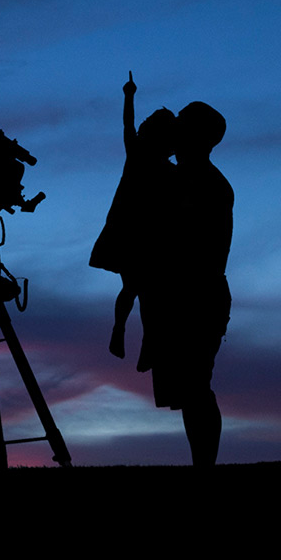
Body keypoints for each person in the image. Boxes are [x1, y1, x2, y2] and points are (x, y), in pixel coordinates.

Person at [147, 99, 233, 468]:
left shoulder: (204, 184)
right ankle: (202, 464)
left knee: (195, 386)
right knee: (189, 387)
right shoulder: (183, 178)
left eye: (182, 124)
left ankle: (205, 466)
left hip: (198, 297)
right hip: (185, 295)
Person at [89, 72, 177, 359]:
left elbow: (128, 125)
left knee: (135, 288)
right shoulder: (145, 157)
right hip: (134, 233)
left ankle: (131, 336)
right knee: (139, 289)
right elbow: (127, 124)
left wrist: (129, 95)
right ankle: (134, 338)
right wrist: (129, 96)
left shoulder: (148, 158)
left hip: (135, 232)